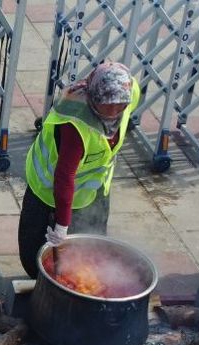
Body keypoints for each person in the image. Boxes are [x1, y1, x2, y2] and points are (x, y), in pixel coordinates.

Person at [18, 62, 140, 279]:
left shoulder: (129, 92)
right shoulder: (75, 124)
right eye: (106, 105)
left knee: (91, 249)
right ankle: (42, 283)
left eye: (120, 105)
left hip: (94, 187)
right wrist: (62, 226)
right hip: (48, 189)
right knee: (36, 252)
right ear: (93, 98)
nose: (113, 112)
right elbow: (64, 176)